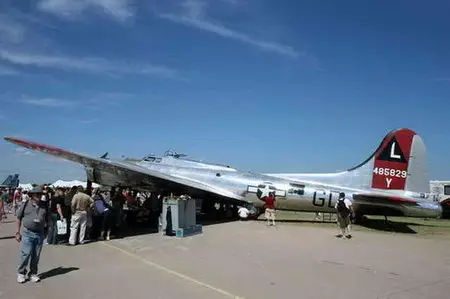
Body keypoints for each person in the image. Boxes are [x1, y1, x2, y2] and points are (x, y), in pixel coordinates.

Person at [15, 187, 51, 283]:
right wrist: (17, 232)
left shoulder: (45, 206)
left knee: (36, 256)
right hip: (27, 232)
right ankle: (21, 273)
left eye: (40, 194)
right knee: (25, 254)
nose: (39, 196)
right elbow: (18, 218)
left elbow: (48, 220)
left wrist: (46, 232)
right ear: (32, 195)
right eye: (36, 194)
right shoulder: (26, 204)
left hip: (39, 234)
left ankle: (33, 273)